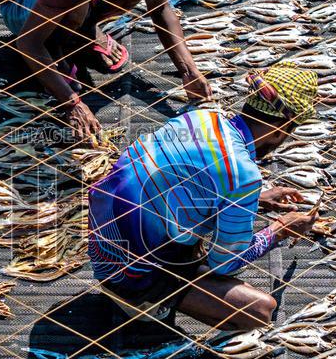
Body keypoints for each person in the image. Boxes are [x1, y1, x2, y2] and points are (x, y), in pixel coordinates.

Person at [87, 64, 320, 331]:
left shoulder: (199, 117)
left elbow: (177, 181)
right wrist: (279, 229)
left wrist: (258, 198)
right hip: (126, 273)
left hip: (101, 238)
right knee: (259, 310)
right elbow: (225, 264)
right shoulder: (244, 175)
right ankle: (140, 302)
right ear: (281, 128)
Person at [0, 0, 212, 142]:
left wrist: (189, 70)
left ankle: (83, 31)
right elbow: (28, 42)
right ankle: (57, 50)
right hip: (20, 5)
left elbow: (160, 9)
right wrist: (72, 104)